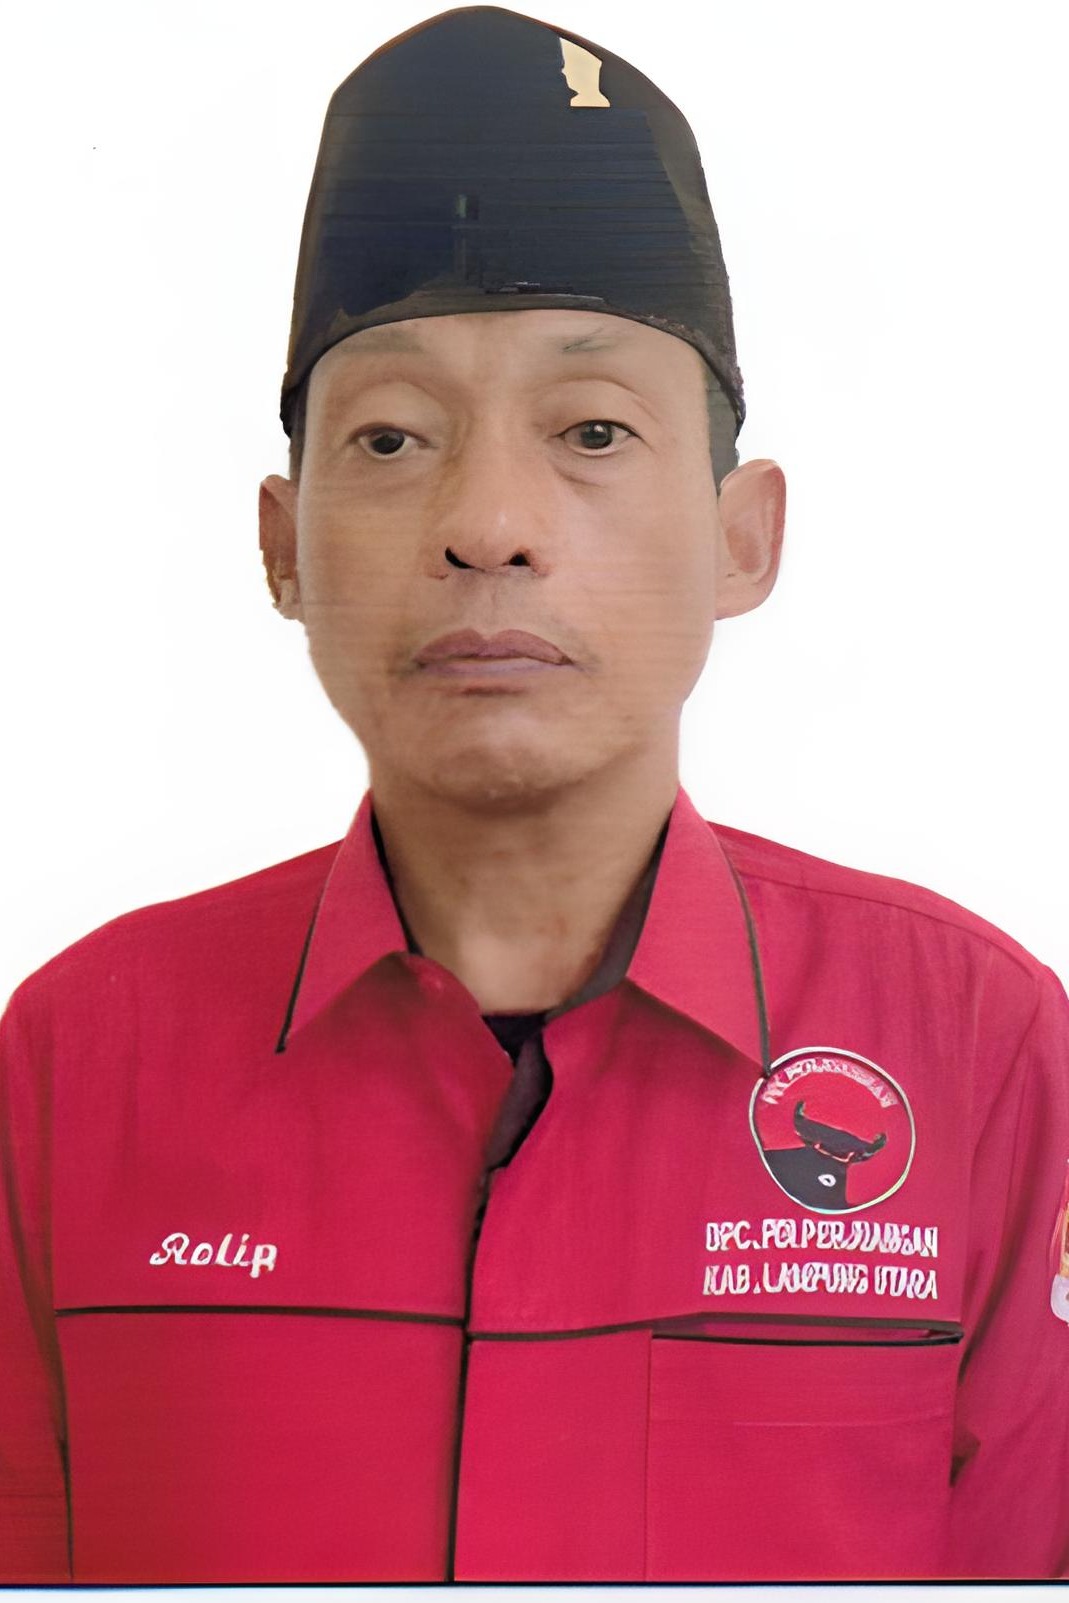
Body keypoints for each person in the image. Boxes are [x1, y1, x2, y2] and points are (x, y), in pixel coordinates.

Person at [2, 3, 1067, 1585]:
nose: (488, 521)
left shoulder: (975, 1046)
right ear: (282, 548)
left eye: (592, 430)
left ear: (742, 538)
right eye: (391, 437)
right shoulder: (78, 1068)